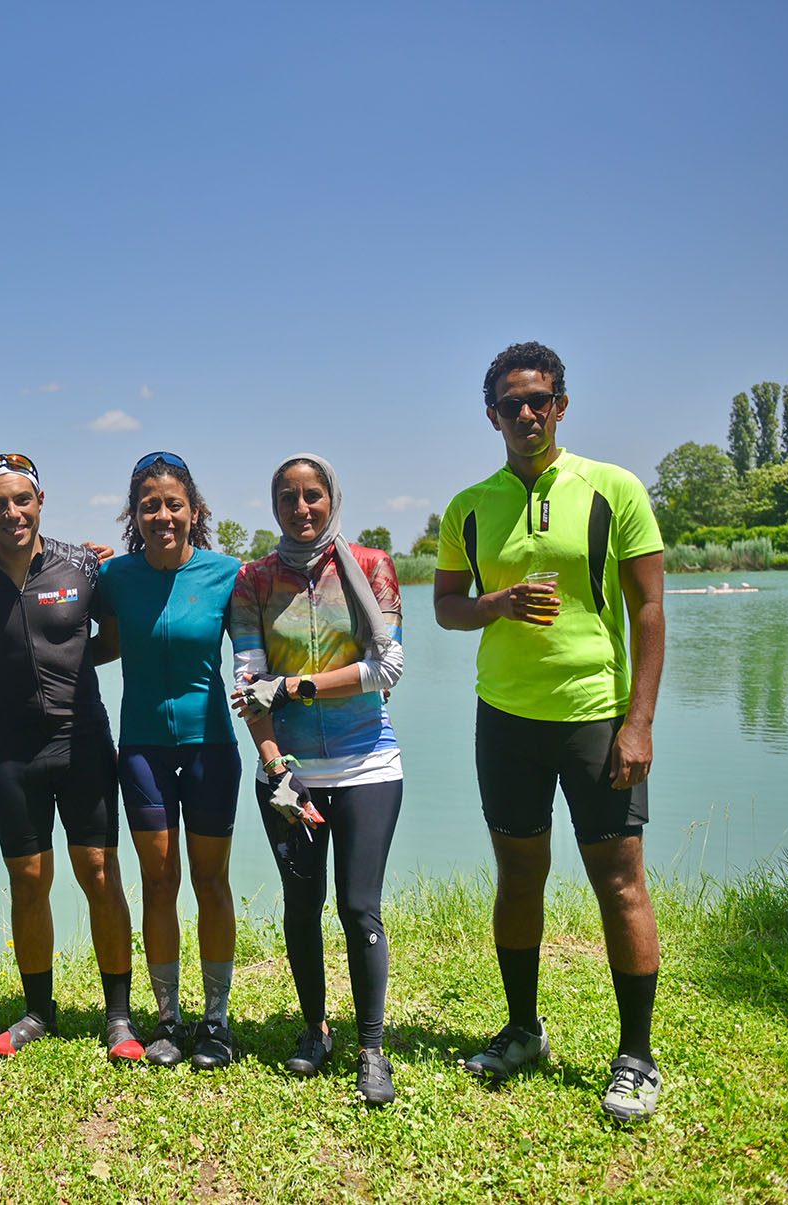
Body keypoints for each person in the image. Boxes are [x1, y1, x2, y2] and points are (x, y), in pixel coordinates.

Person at [433, 341, 667, 1123]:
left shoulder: (612, 488)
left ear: (560, 405)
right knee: (517, 876)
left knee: (620, 882)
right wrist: (495, 604)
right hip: (503, 719)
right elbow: (445, 606)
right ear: (491, 414)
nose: (526, 413)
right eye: (511, 403)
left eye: (539, 400)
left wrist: (638, 721)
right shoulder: (469, 506)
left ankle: (635, 1055)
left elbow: (648, 609)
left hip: (594, 717)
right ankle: (521, 1029)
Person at [0, 454, 142, 1061]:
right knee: (27, 881)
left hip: (83, 741)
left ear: (40, 501)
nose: (12, 512)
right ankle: (37, 1011)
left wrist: (68, 668)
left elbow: (114, 636)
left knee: (100, 874)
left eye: (21, 500)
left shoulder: (81, 565)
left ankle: (119, 1017)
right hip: (13, 748)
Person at [228, 454, 405, 1105]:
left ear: (332, 497)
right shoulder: (253, 580)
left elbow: (387, 667)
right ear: (273, 504)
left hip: (367, 765)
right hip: (287, 771)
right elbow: (250, 688)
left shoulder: (372, 565)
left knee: (359, 906)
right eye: (287, 497)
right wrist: (277, 768)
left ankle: (371, 1049)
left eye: (312, 495)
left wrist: (294, 685)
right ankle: (314, 1030)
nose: (301, 508)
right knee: (302, 906)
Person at [94, 452, 243, 1069]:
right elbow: (88, 638)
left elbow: (263, 650)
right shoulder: (114, 577)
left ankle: (217, 1020)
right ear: (133, 515)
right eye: (149, 505)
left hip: (212, 747)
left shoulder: (228, 574)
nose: (162, 515)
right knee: (159, 881)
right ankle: (167, 1019)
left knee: (211, 881)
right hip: (143, 749)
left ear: (194, 511)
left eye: (173, 504)